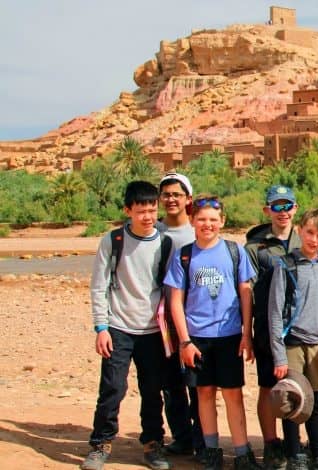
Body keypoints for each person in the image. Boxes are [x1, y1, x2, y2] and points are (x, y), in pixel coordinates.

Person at [165, 195, 261, 470]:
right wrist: (184, 341)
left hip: (229, 335)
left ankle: (242, 453)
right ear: (193, 221)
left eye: (213, 220)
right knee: (204, 393)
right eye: (202, 219)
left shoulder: (234, 251)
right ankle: (211, 450)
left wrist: (247, 333)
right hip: (197, 338)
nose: (207, 225)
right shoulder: (184, 255)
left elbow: (245, 292)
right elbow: (175, 300)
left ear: (222, 222)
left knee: (233, 394)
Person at [83, 181, 172, 470]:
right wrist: (101, 327)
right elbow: (99, 286)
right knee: (112, 388)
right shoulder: (113, 241)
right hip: (118, 328)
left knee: (152, 390)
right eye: (141, 211)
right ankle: (101, 444)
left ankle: (152, 443)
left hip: (153, 331)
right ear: (127, 211)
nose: (148, 217)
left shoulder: (165, 241)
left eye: (152, 210)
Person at [268, 209, 318, 470]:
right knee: (291, 399)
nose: (314, 239)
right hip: (292, 343)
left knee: (316, 399)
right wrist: (278, 355)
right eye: (310, 232)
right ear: (300, 230)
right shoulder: (286, 266)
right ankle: (294, 453)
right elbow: (275, 313)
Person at [245, 185, 301, 470]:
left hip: (301, 328)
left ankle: (300, 445)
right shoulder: (255, 246)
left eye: (287, 206)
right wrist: (247, 335)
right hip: (268, 328)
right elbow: (248, 292)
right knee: (268, 387)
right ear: (267, 210)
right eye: (276, 207)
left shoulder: (306, 239)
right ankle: (271, 444)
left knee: (306, 387)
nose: (283, 212)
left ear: (295, 208)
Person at [157, 172, 206, 462]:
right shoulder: (153, 231)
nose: (171, 199)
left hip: (195, 321)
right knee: (170, 383)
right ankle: (181, 438)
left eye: (177, 194)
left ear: (188, 199)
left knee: (197, 383)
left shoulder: (197, 232)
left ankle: (202, 439)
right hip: (162, 323)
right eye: (166, 194)